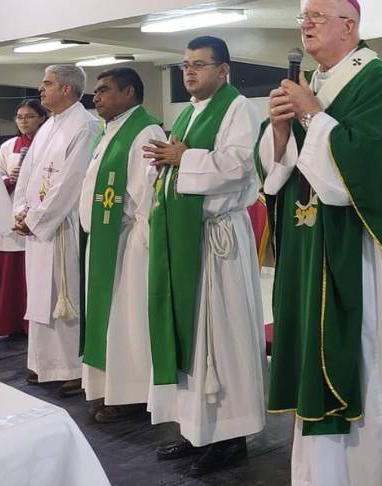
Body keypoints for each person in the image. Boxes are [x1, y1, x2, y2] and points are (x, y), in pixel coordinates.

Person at [259, 0, 382, 486]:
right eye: (304, 17)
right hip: (309, 250)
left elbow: (360, 173)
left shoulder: (378, 82)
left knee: (366, 369)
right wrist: (279, 132)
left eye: (318, 16)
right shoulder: (311, 83)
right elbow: (279, 178)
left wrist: (312, 115)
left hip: (359, 257)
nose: (307, 24)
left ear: (350, 26)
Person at [146, 36, 265, 477]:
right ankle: (198, 428)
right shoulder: (189, 112)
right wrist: (163, 163)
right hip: (186, 236)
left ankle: (231, 436)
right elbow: (181, 166)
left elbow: (239, 166)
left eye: (199, 65)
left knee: (223, 339)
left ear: (224, 70)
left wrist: (183, 157)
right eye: (184, 65)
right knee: (194, 339)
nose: (189, 72)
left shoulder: (239, 109)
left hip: (219, 243)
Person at [79, 67, 165, 421]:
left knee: (129, 323)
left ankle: (131, 394)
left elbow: (149, 197)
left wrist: (145, 248)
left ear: (129, 92)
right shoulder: (110, 130)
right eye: (96, 91)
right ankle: (109, 388)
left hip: (130, 246)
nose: (96, 97)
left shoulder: (144, 130)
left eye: (105, 90)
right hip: (105, 242)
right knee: (111, 322)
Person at [12, 64, 101, 396]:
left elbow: (73, 182)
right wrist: (21, 210)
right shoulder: (49, 126)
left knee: (64, 296)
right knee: (40, 296)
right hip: (38, 226)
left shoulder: (86, 126)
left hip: (63, 226)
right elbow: (27, 175)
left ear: (67, 89)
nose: (41, 88)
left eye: (47, 83)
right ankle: (43, 362)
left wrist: (36, 218)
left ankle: (73, 368)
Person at [0, 98, 48, 336]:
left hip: (40, 215)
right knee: (11, 277)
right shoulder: (8, 147)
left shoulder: (49, 143)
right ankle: (10, 322)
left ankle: (32, 324)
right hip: (12, 216)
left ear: (42, 118)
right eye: (20, 117)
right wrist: (9, 179)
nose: (24, 121)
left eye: (30, 116)